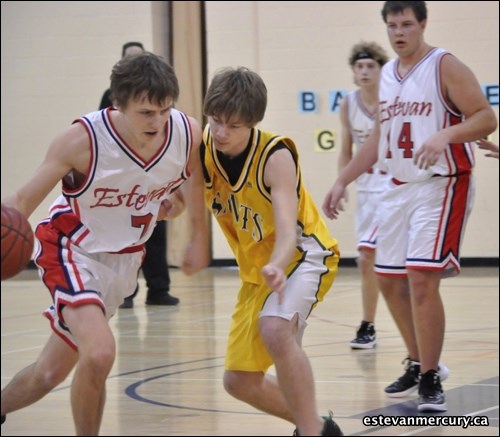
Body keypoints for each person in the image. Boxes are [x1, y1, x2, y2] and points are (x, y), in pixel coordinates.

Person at [0, 52, 209, 434]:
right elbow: (22, 201)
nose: (158, 121)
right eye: (146, 112)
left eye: (165, 110)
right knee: (99, 353)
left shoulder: (186, 132)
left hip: (125, 261)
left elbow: (183, 193)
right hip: (71, 249)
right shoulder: (81, 140)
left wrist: (193, 230)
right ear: (118, 104)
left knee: (47, 375)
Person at [322, 0, 496, 413]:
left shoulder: (444, 65)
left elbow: (486, 118)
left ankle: (432, 376)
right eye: (391, 26)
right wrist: (342, 179)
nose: (398, 32)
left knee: (420, 278)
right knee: (387, 280)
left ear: (422, 24)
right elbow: (378, 139)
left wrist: (446, 135)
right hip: (397, 188)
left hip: (441, 185)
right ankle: (418, 361)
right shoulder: (387, 77)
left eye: (406, 24)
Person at [201, 67, 343, 436]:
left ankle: (309, 433)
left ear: (252, 122)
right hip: (257, 271)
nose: (220, 132)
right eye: (215, 121)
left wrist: (279, 266)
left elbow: (286, 232)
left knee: (276, 330)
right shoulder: (203, 149)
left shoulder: (275, 156)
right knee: (239, 381)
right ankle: (321, 429)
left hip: (302, 255)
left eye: (232, 125)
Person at [99, 41, 179, 308]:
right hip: (122, 181)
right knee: (124, 239)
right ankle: (126, 293)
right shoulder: (108, 99)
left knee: (156, 233)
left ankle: (159, 289)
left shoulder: (171, 116)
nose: (156, 118)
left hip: (154, 179)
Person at [338, 41, 389, 349]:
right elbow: (345, 151)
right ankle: (368, 325)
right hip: (368, 190)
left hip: (395, 186)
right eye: (360, 67)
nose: (365, 71)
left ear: (382, 70)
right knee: (366, 260)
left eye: (371, 66)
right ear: (354, 73)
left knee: (371, 258)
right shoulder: (348, 104)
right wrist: (342, 183)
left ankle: (370, 326)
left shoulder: (393, 100)